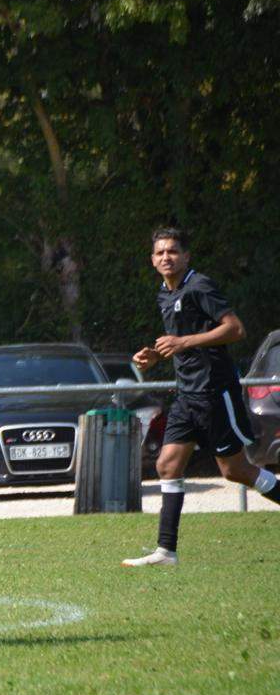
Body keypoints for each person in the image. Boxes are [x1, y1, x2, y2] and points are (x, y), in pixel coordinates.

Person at [123, 227, 279, 566]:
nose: (167, 257)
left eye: (173, 251)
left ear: (186, 256)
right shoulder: (164, 294)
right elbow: (182, 342)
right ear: (152, 260)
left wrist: (182, 343)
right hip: (186, 395)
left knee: (235, 470)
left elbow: (235, 329)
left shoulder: (199, 286)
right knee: (167, 465)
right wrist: (157, 354)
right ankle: (166, 552)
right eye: (160, 252)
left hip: (214, 392)